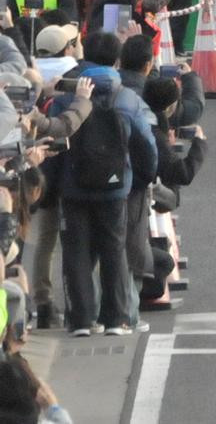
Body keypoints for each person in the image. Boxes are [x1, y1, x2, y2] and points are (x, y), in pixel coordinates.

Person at [53, 31, 157, 338]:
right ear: (117, 60)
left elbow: (55, 137)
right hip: (115, 185)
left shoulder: (67, 95)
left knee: (76, 250)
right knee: (114, 249)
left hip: (73, 183)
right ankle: (116, 319)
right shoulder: (126, 97)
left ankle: (81, 319)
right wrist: (141, 177)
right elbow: (146, 145)